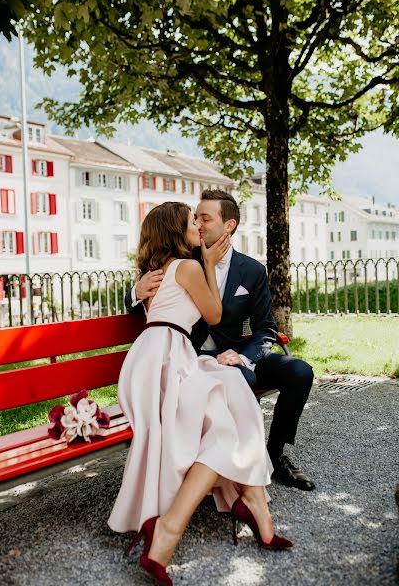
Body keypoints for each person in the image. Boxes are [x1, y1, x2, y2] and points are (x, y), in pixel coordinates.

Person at [108, 202, 292, 586]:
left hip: (155, 359)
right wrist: (208, 264)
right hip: (169, 359)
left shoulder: (160, 268)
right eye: (193, 220)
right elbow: (213, 314)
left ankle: (252, 511)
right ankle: (195, 521)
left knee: (232, 389)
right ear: (178, 229)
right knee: (229, 415)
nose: (198, 225)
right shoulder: (189, 267)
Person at [130, 190, 315, 492]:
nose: (199, 224)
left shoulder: (252, 270)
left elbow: (266, 328)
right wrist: (135, 291)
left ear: (228, 225)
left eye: (205, 218)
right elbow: (151, 301)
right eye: (196, 218)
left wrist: (242, 356)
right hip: (190, 360)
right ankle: (231, 466)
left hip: (238, 355)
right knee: (236, 378)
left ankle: (274, 452)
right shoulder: (182, 258)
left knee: (299, 371)